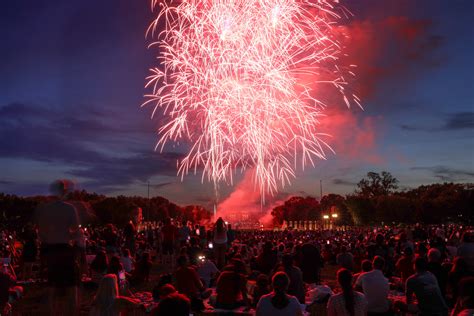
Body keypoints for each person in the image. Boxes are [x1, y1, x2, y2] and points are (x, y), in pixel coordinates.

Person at [34, 179, 80, 315]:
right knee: (71, 288)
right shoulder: (69, 208)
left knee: (51, 288)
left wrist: (50, 239)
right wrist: (67, 237)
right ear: (64, 192)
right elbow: (76, 231)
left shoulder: (45, 209)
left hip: (51, 250)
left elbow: (41, 233)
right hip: (65, 249)